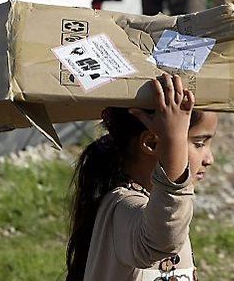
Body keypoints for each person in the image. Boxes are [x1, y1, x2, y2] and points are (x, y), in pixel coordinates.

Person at [65, 74, 218, 281]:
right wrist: (173, 141)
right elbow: (161, 239)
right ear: (152, 144)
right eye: (199, 143)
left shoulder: (155, 204)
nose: (210, 159)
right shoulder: (124, 207)